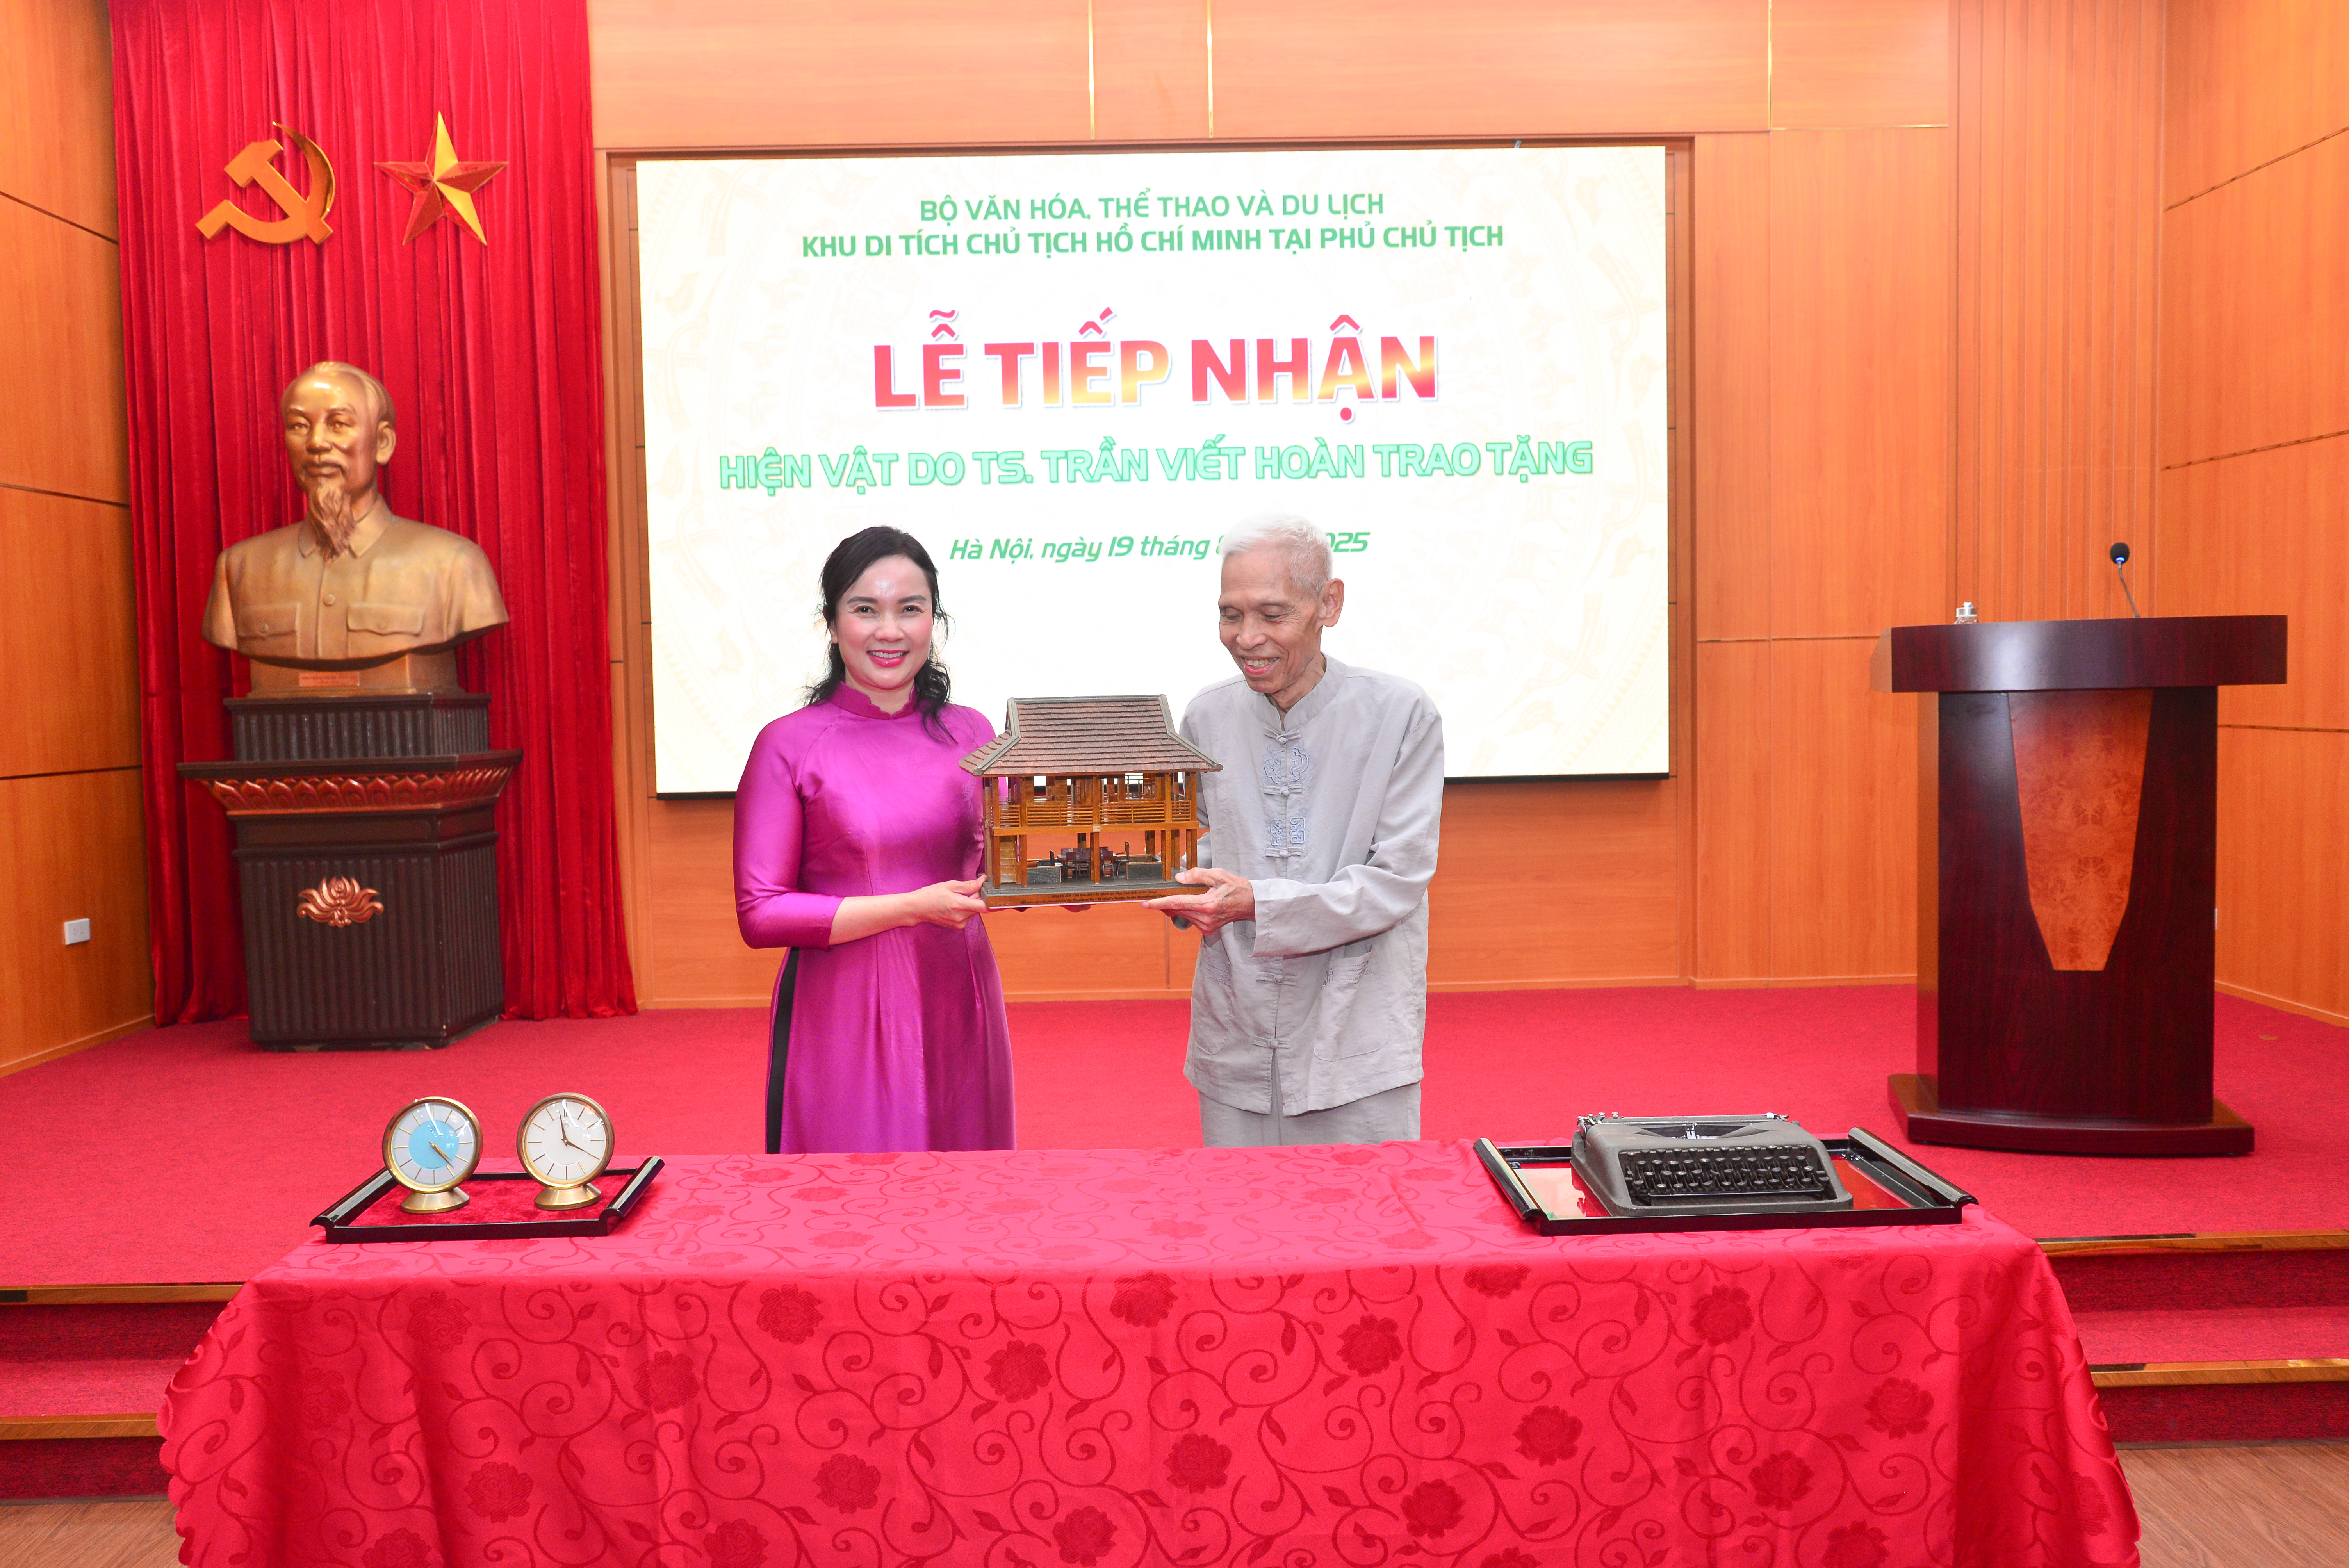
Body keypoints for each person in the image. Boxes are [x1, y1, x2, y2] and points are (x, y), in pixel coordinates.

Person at [1148, 514, 1445, 1147]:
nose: (1246, 637)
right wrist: (1139, 884)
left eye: (1272, 614)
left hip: (1356, 1037)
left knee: (1366, 1232)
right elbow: (1192, 852)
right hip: (1238, 1035)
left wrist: (1257, 901)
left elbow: (1396, 882)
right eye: (1230, 615)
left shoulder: (1401, 715)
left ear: (1327, 604)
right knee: (1243, 1232)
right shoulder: (1206, 716)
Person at [733, 526, 1013, 1154]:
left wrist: (1071, 884)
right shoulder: (789, 743)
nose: (890, 631)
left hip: (959, 1000)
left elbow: (1009, 867)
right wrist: (913, 907)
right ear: (832, 625)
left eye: (910, 610)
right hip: (843, 1010)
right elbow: (760, 913)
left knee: (966, 1196)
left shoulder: (974, 732)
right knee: (853, 1201)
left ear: (933, 622)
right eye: (866, 610)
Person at [201, 362, 507, 666]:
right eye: (299, 426)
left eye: (338, 424)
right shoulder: (240, 569)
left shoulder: (454, 566)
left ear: (382, 443)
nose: (316, 443)